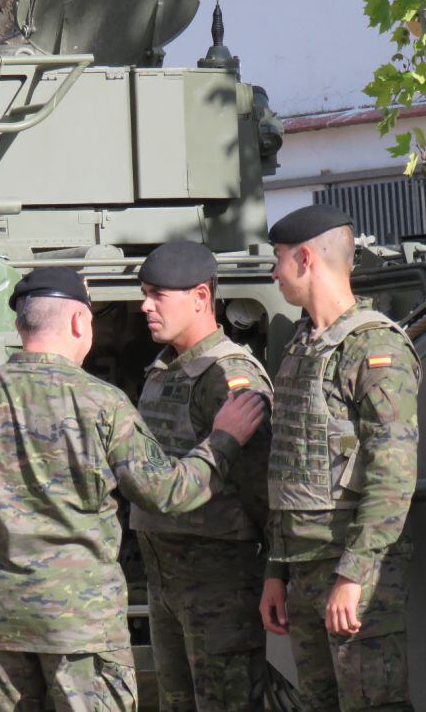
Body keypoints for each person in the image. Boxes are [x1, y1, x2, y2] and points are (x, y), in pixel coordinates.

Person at [0, 267, 266, 712]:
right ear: (77, 323)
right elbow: (167, 493)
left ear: (20, 325)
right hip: (81, 631)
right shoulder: (101, 403)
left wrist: (0, 545)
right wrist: (223, 440)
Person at [258, 205, 421, 711]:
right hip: (303, 569)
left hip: (353, 572)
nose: (273, 272)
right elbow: (288, 466)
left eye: (279, 259)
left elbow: (392, 476)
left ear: (305, 258)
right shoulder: (301, 348)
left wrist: (354, 576)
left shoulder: (374, 348)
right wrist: (276, 571)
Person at [132, 240, 273, 711]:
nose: (144, 305)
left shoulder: (228, 375)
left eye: (157, 294)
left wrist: (276, 571)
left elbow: (262, 489)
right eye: (144, 293)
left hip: (219, 582)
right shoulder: (164, 369)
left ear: (199, 297)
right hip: (167, 580)